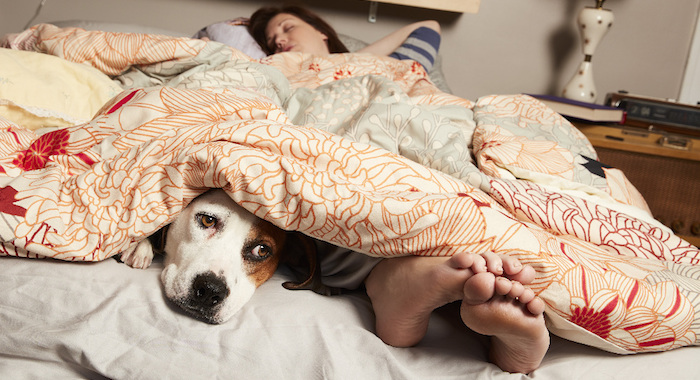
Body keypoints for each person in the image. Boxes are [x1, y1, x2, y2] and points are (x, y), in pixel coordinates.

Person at [248, 6, 550, 374]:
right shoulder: (281, 71)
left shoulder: (376, 62)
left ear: (322, 33)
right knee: (320, 172)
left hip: (419, 112)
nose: (278, 39)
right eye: (269, 39)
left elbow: (428, 25)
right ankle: (400, 282)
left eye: (287, 26)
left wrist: (357, 56)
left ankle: (396, 282)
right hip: (333, 120)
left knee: (425, 154)